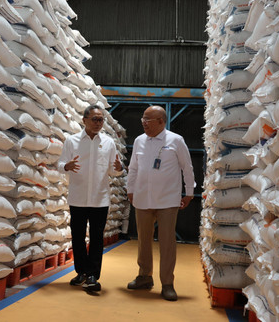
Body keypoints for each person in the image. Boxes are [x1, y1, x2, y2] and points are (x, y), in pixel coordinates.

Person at [126, 105, 195, 301]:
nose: (144, 123)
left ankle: (167, 283)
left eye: (148, 120)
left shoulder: (175, 140)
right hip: (142, 198)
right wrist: (130, 189)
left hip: (167, 200)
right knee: (143, 240)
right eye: (143, 119)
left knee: (167, 242)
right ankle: (144, 277)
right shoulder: (139, 141)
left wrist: (189, 192)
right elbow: (133, 168)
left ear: (161, 122)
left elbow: (187, 168)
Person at [58, 104, 123, 292]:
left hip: (100, 199)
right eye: (94, 119)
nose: (98, 123)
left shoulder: (109, 143)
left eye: (101, 119)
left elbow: (112, 170)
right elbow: (60, 164)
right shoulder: (72, 141)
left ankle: (93, 275)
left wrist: (118, 169)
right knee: (78, 238)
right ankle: (81, 272)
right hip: (78, 198)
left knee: (96, 238)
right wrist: (66, 167)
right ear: (84, 120)